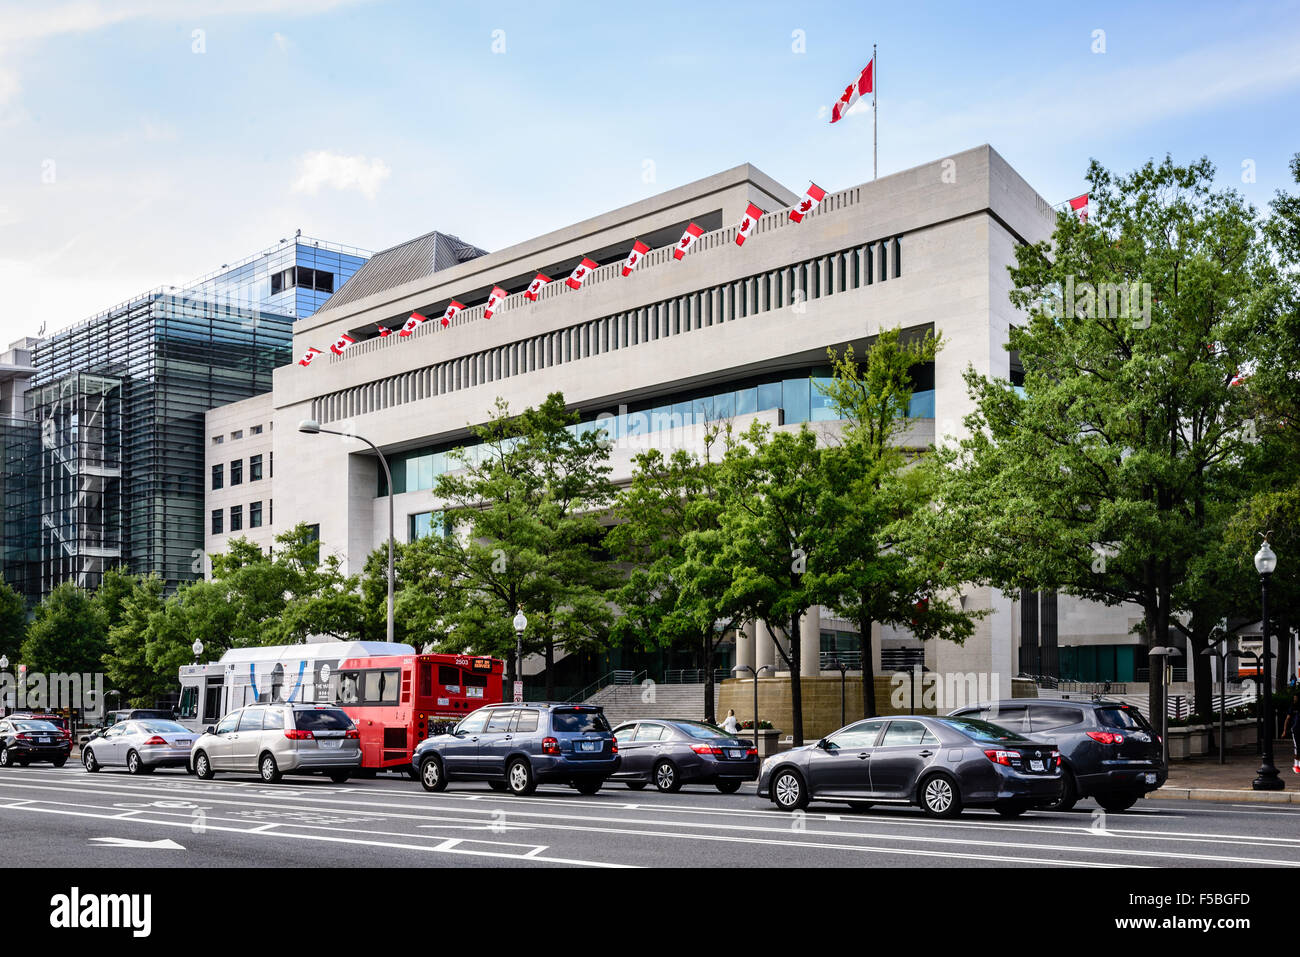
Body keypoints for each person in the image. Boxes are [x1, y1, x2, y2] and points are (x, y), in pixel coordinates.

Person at [1283, 694, 1300, 775]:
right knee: (1297, 747)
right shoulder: (1292, 707)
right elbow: (1287, 719)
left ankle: (1298, 765)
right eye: (1294, 698)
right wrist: (1284, 731)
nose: (1294, 699)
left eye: (1296, 698)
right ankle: (1296, 765)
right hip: (1296, 729)